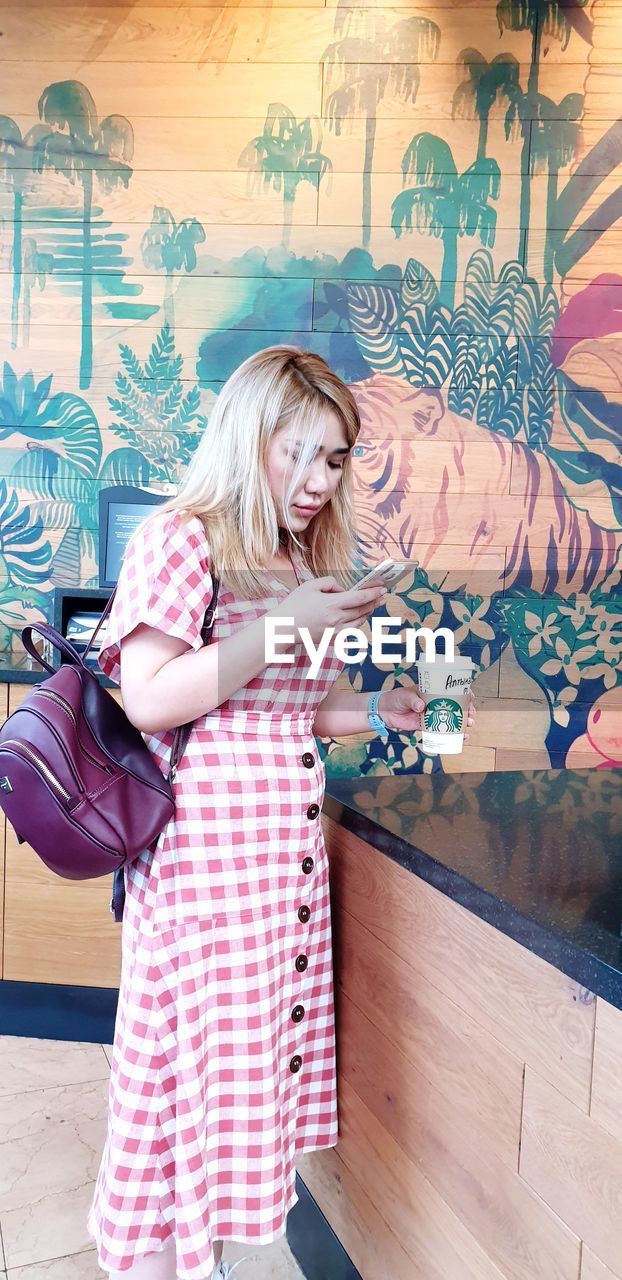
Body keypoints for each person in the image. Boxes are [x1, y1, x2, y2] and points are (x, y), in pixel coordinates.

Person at [86, 346, 475, 1280]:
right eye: (295, 452)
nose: (315, 480)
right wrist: (284, 624)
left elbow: (289, 708)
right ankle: (160, 1265)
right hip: (202, 871)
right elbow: (148, 697)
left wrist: (377, 710)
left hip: (277, 871)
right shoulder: (186, 539)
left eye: (334, 459)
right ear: (246, 438)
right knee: (184, 1080)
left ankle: (205, 1258)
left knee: (236, 1087)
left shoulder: (296, 556)